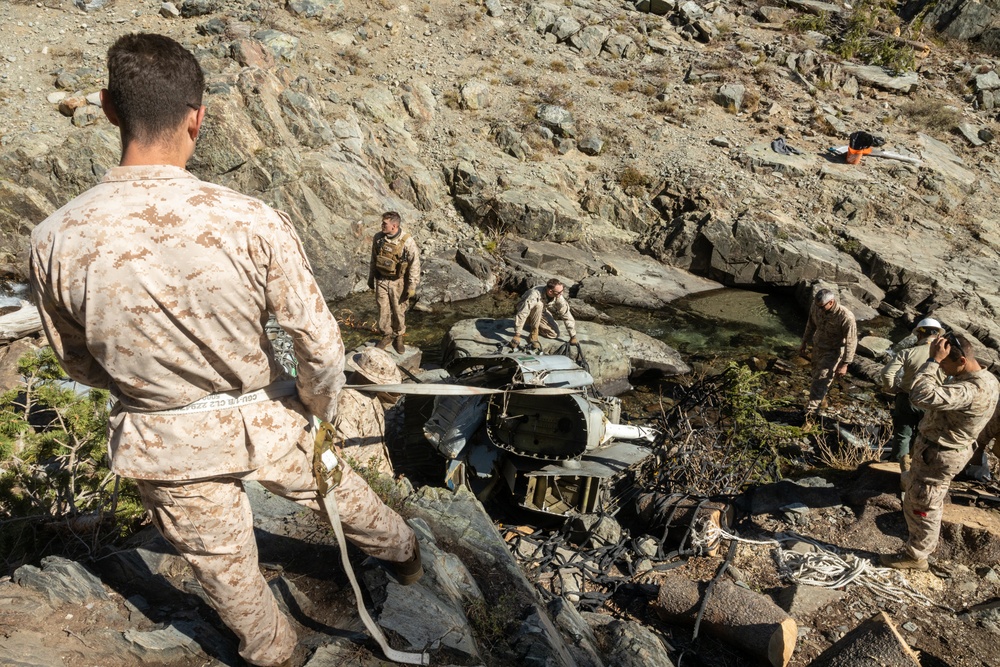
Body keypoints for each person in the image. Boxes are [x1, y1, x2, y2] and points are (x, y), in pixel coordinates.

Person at [28, 34, 420, 667]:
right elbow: (317, 340)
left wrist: (147, 382)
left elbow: (77, 361)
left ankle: (276, 652)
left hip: (163, 436)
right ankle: (403, 554)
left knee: (225, 568)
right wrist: (318, 407)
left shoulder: (54, 238)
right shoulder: (251, 219)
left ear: (106, 108)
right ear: (197, 117)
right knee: (337, 490)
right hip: (267, 413)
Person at [881, 333, 999, 570]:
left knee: (926, 504)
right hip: (938, 448)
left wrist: (933, 361)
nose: (943, 370)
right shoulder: (986, 378)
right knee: (922, 491)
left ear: (962, 360)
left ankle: (916, 556)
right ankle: (914, 485)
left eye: (946, 364)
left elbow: (920, 395)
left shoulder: (972, 389)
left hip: (940, 453)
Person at [880, 318, 945, 478]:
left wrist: (892, 388)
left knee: (903, 434)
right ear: (938, 336)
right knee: (926, 437)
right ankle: (919, 469)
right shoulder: (945, 357)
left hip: (907, 398)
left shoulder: (908, 352)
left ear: (919, 335)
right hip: (932, 401)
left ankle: (896, 468)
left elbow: (886, 373)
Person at [337, 347, 401, 476]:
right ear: (367, 379)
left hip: (381, 466)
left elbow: (391, 399)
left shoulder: (370, 392)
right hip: (366, 478)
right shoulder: (348, 406)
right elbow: (344, 455)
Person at [798, 288, 857, 417]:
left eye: (822, 307)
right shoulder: (816, 306)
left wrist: (845, 364)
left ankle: (811, 413)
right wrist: (804, 342)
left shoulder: (845, 316)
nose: (819, 309)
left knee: (821, 379)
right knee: (815, 375)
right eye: (817, 306)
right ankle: (821, 400)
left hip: (833, 351)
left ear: (831, 302)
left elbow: (851, 341)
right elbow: (810, 324)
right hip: (818, 346)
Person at [368, 211, 421, 354]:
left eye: (385, 224)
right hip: (381, 280)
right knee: (383, 309)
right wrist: (371, 277)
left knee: (399, 311)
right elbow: (373, 259)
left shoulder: (407, 241)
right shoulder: (378, 238)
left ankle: (398, 336)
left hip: (398, 282)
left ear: (394, 225)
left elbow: (414, 264)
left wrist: (412, 286)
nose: (382, 226)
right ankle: (386, 335)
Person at [510, 278, 578, 352]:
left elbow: (566, 314)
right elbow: (523, 312)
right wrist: (517, 334)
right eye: (559, 292)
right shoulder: (535, 294)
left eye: (562, 291)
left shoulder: (558, 296)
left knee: (553, 334)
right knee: (539, 305)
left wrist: (573, 336)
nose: (561, 293)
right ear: (550, 291)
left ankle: (532, 322)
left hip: (540, 311)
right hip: (526, 308)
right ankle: (533, 333)